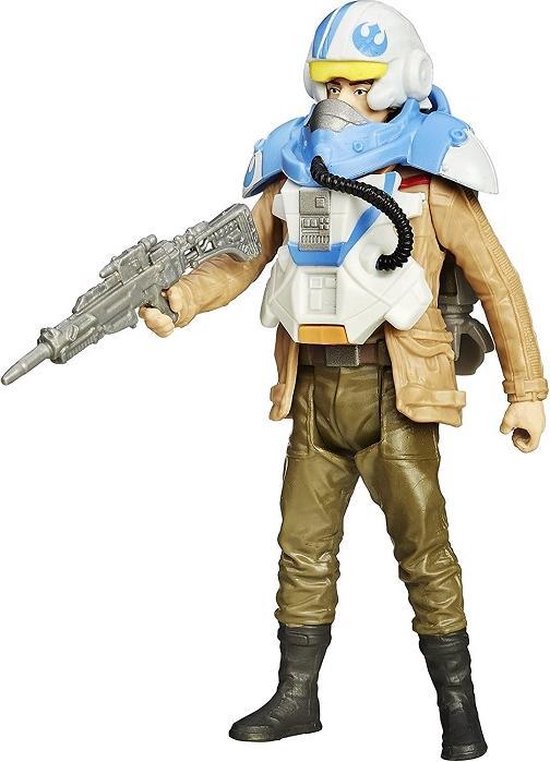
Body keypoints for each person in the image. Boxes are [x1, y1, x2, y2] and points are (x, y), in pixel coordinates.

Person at [139, 2, 547, 759]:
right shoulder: (295, 167)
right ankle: (297, 696)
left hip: (396, 396)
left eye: (359, 84)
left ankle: (459, 709)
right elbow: (242, 259)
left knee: (425, 554)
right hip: (312, 394)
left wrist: (526, 392)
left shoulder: (431, 178)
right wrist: (179, 300)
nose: (341, 100)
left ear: (399, 82)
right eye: (330, 83)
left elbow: (499, 283)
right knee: (301, 548)